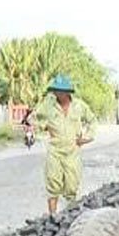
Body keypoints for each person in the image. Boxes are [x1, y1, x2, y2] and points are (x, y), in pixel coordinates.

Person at [28, 74, 96, 215]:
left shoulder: (79, 106)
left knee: (72, 186)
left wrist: (86, 138)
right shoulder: (48, 106)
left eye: (61, 91)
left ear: (67, 92)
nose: (58, 94)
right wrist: (38, 127)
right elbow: (33, 119)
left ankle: (70, 215)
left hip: (72, 151)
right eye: (56, 91)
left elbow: (92, 121)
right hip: (55, 150)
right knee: (53, 184)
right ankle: (52, 217)